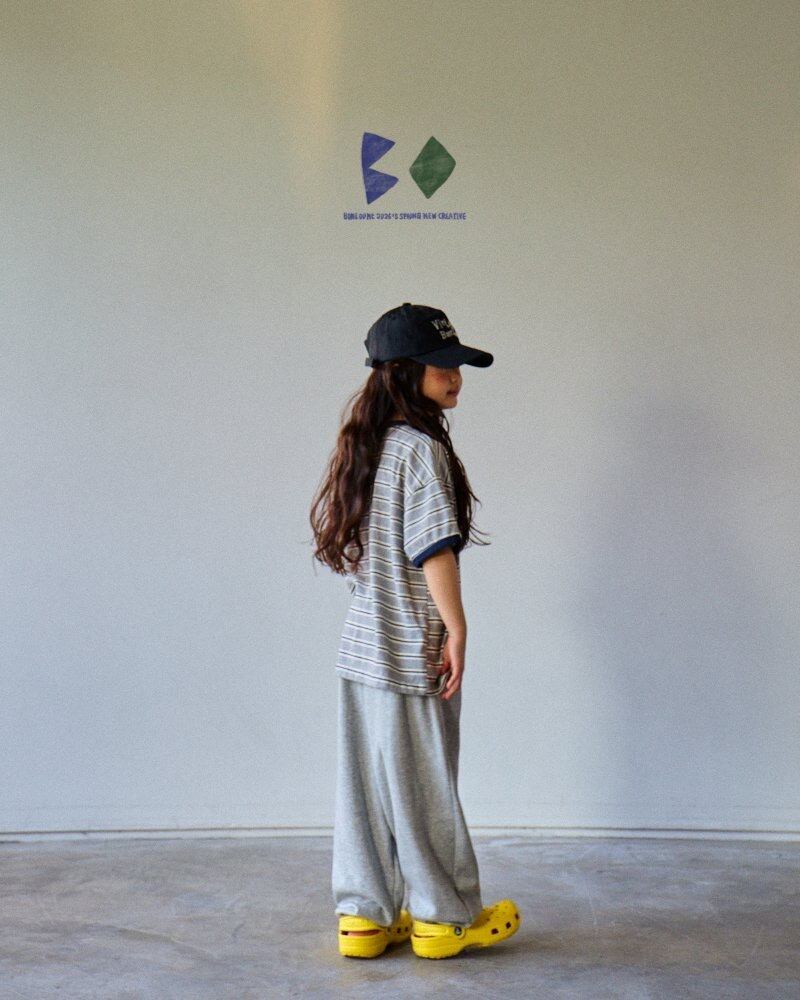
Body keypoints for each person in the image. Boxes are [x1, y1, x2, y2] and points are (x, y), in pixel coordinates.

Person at [309, 302, 521, 960]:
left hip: (360, 650)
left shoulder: (366, 448)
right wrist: (456, 629)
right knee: (426, 786)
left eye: (457, 365)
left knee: (366, 792)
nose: (455, 376)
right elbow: (434, 550)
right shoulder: (422, 451)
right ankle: (441, 917)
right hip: (410, 651)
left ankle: (364, 918)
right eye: (440, 365)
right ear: (403, 371)